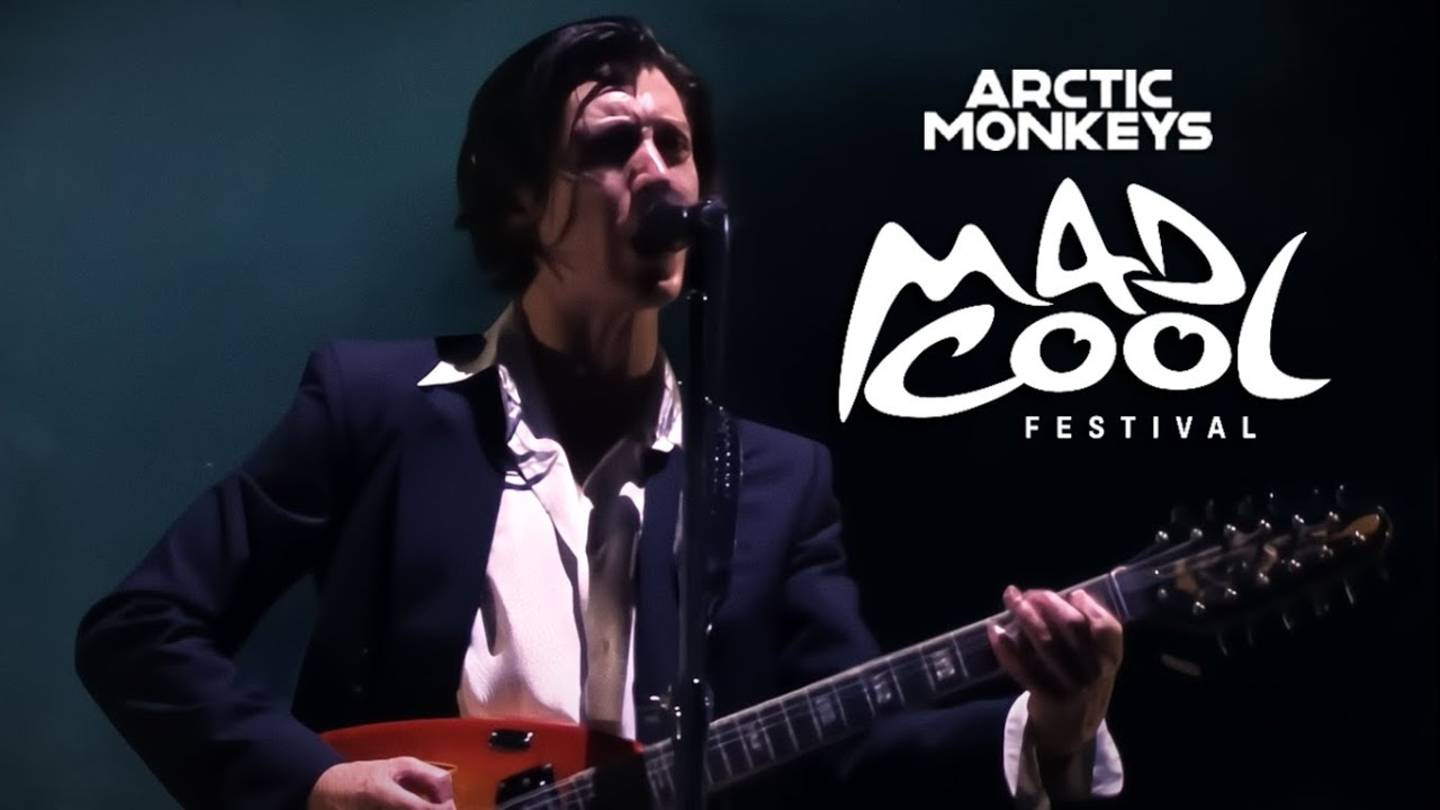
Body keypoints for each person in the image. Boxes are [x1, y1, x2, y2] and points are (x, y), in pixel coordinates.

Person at [75, 17, 1123, 810]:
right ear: (521, 200)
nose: (656, 171)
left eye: (675, 143)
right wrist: (313, 782)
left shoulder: (775, 480)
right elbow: (140, 632)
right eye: (613, 143)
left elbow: (855, 752)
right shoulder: (376, 404)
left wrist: (1052, 729)